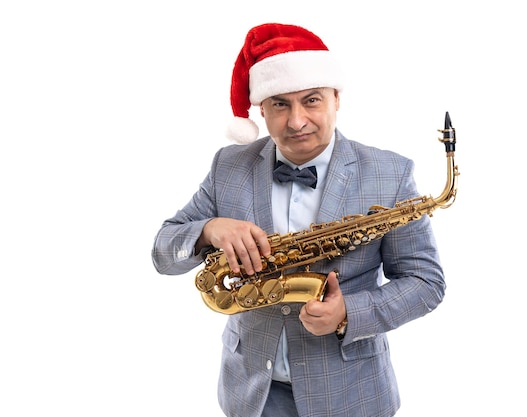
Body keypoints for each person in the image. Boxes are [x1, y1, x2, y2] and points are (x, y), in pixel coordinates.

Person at [152, 23, 445, 417]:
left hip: (350, 395)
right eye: (279, 104)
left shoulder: (390, 174)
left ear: (336, 98)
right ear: (261, 108)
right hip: (253, 394)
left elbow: (426, 283)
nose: (296, 121)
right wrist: (208, 230)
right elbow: (163, 252)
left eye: (311, 100)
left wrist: (349, 313)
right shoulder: (228, 165)